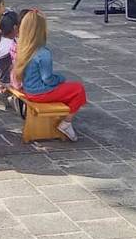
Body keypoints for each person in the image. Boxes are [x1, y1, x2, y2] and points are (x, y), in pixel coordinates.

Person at [12, 10, 86, 141]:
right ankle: (67, 122)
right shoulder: (43, 53)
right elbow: (47, 79)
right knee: (78, 89)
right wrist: (59, 79)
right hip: (40, 92)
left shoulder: (23, 48)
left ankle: (63, 119)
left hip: (29, 90)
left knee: (67, 90)